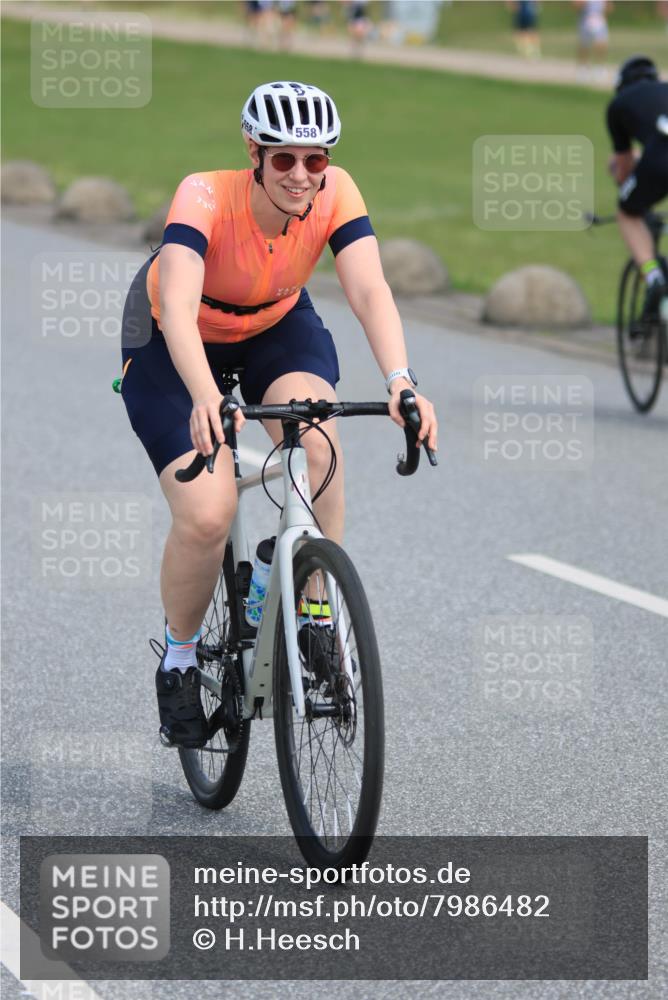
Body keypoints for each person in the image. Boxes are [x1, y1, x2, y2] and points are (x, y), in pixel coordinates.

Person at [119, 81, 438, 748]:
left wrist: (402, 381)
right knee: (207, 514)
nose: (301, 174)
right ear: (254, 154)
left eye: (315, 159)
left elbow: (369, 287)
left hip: (273, 322)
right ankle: (178, 662)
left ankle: (310, 602)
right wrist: (207, 396)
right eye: (284, 159)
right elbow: (176, 307)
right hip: (175, 336)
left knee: (317, 445)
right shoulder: (204, 195)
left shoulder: (337, 191)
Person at [606, 56, 668, 319]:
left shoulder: (618, 105)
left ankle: (653, 276)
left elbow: (624, 166)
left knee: (627, 213)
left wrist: (624, 184)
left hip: (661, 157)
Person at [574, 0, 612, 81]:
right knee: (584, 45)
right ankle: (583, 69)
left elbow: (609, 7)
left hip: (599, 20)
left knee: (601, 44)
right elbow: (576, 5)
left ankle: (599, 68)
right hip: (585, 19)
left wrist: (605, 9)